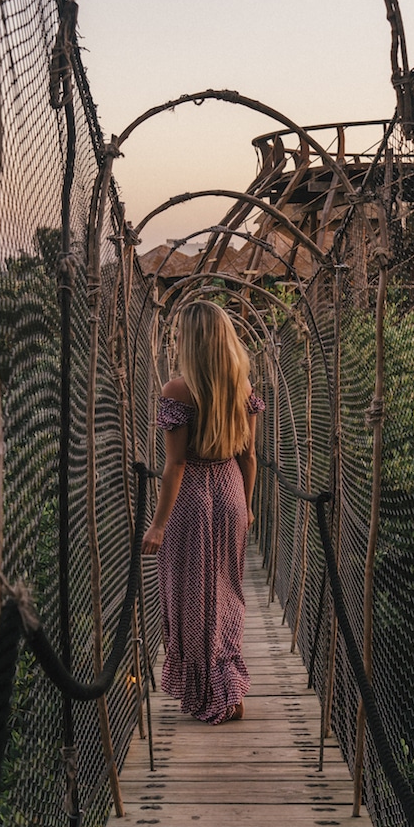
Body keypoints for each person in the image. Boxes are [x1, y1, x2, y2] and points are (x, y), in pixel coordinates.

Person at [141, 300, 264, 725]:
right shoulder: (243, 386)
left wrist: (157, 525)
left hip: (191, 498)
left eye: (178, 334)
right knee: (227, 591)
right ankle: (228, 683)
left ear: (190, 340)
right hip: (230, 490)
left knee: (190, 595)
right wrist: (247, 506)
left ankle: (210, 691)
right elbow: (250, 457)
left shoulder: (177, 390)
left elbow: (175, 464)